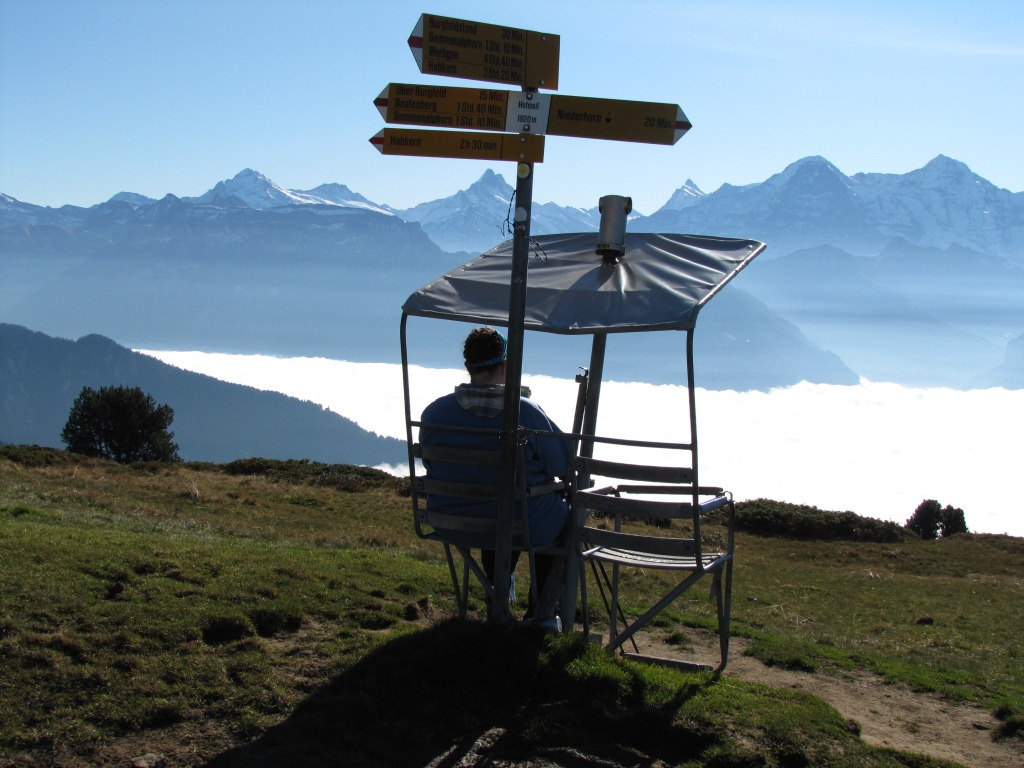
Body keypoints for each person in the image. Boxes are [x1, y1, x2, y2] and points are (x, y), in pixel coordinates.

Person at [419, 327, 570, 627]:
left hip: (450, 519)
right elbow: (561, 465)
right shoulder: (524, 412)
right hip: (513, 523)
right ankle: (541, 615)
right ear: (504, 366)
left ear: (469, 366)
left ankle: (497, 598)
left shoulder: (434, 412)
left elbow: (430, 462)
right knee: (564, 516)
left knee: (499, 508)